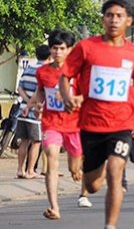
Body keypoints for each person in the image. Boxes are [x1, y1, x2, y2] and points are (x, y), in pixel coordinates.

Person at [60, 0, 134, 229]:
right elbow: (65, 76)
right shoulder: (86, 47)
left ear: (128, 21)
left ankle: (110, 225)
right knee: (93, 184)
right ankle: (97, 169)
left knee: (116, 172)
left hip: (122, 124)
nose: (113, 20)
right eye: (109, 15)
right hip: (91, 125)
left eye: (119, 16)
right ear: (103, 19)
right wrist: (67, 97)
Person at [29, 29, 92, 219]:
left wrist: (70, 97)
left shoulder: (79, 73)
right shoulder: (42, 72)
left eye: (62, 48)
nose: (57, 52)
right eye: (54, 48)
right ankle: (54, 207)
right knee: (51, 157)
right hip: (51, 123)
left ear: (69, 50)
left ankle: (78, 173)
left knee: (75, 168)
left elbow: (88, 96)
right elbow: (41, 91)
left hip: (74, 124)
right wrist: (36, 104)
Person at [17, 44, 47, 179]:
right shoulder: (45, 71)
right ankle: (30, 171)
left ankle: (20, 170)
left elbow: (19, 88)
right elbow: (40, 91)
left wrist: (26, 102)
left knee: (23, 142)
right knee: (36, 142)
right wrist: (32, 105)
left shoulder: (28, 69)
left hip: (22, 109)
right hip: (35, 112)